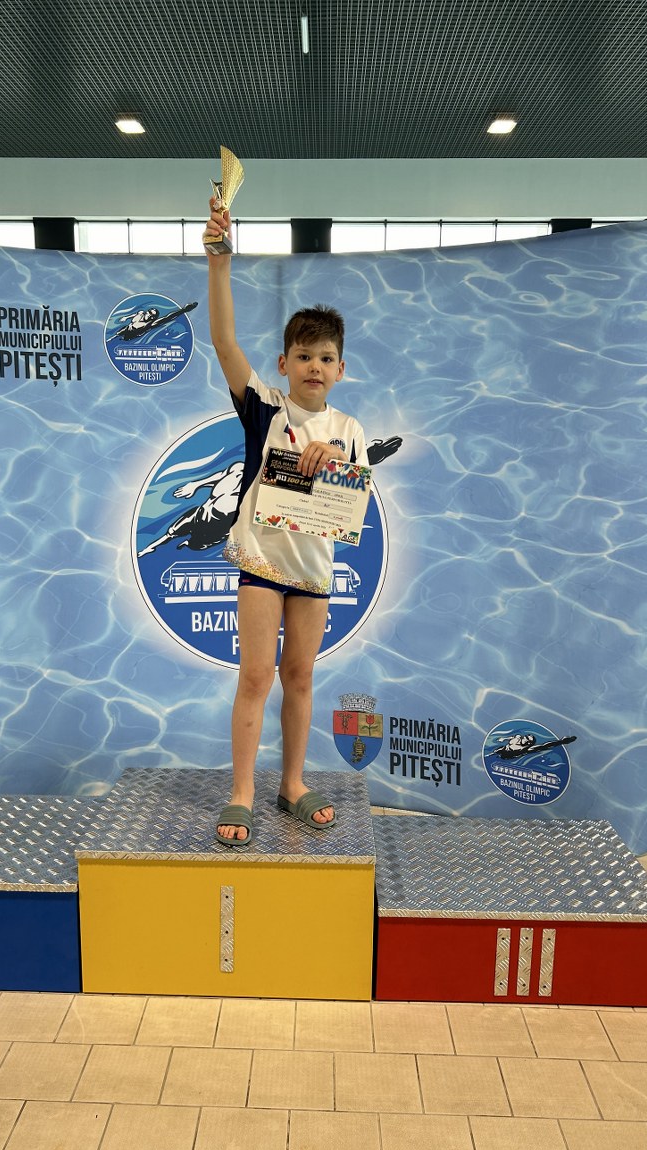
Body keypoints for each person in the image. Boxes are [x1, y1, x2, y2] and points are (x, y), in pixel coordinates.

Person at [204, 197, 368, 847]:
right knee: (256, 677)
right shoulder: (264, 409)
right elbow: (224, 342)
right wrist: (220, 262)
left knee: (300, 678)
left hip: (314, 572)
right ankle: (242, 791)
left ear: (340, 369)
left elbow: (351, 503)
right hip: (261, 563)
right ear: (283, 364)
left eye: (326, 358)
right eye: (303, 356)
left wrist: (334, 463)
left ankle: (292, 784)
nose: (314, 367)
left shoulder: (350, 429)